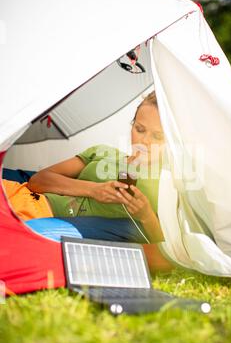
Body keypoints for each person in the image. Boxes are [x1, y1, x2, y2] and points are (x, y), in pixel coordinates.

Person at [2, 91, 175, 272]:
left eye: (157, 136)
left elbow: (168, 249)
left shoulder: (165, 183)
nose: (144, 141)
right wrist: (93, 189)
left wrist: (145, 214)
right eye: (139, 129)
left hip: (35, 214)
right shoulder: (103, 152)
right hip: (17, 192)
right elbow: (38, 180)